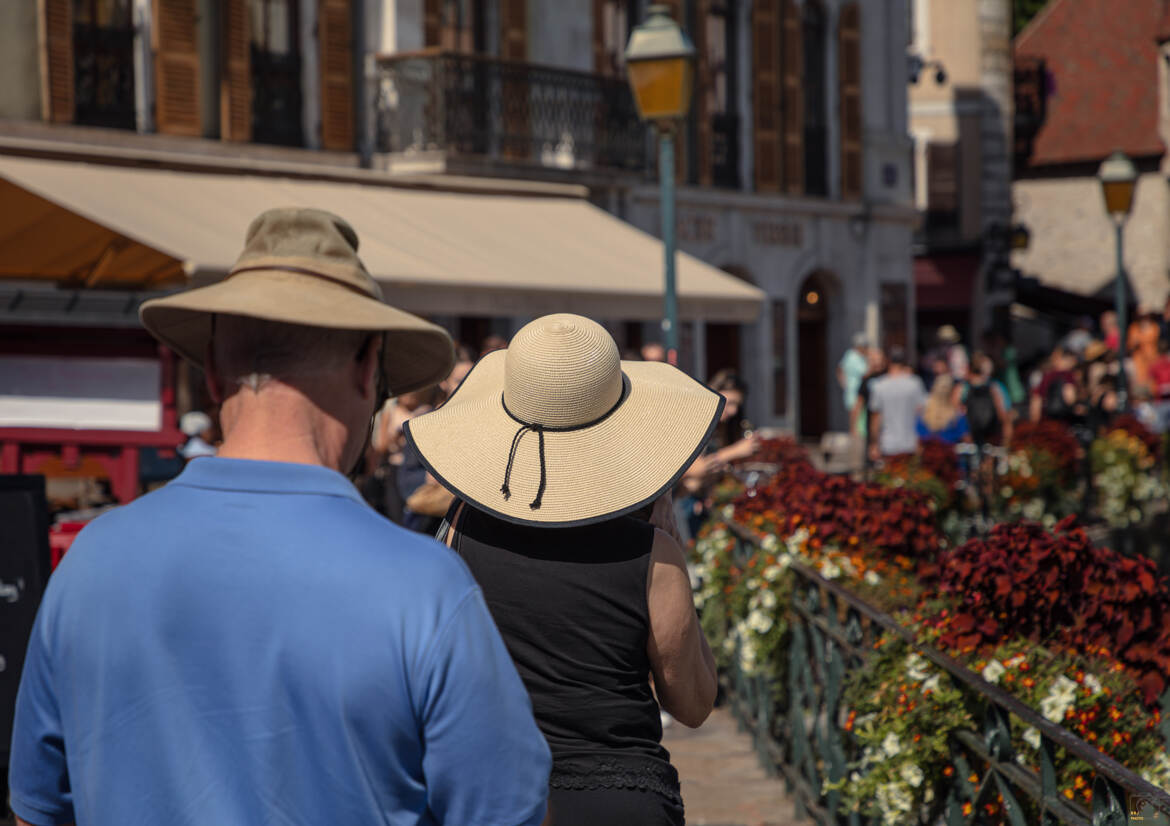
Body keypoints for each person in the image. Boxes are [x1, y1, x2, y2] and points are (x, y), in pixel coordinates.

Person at [8, 208, 551, 826]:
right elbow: (506, 812)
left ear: (212, 370)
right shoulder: (425, 587)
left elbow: (36, 809)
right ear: (369, 367)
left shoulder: (91, 562)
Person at [405, 314, 719, 826]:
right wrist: (673, 552)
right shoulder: (652, 555)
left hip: (496, 797)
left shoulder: (460, 532)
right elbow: (693, 703)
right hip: (621, 801)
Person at [868, 347, 927, 460]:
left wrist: (874, 444)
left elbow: (876, 418)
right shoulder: (915, 383)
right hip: (911, 442)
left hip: (888, 443)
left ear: (888, 361)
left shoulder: (879, 385)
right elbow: (921, 412)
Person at [964, 352, 1012, 447]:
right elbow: (1005, 417)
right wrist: (1006, 443)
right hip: (992, 437)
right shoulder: (995, 387)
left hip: (970, 439)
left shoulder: (962, 388)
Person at [1030, 345, 1080, 423]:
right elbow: (1070, 398)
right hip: (1063, 422)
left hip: (1046, 421)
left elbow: (1036, 400)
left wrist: (1035, 422)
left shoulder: (1046, 376)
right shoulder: (1068, 375)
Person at [916, 375, 970, 445]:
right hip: (950, 454)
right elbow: (967, 440)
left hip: (927, 454)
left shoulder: (922, 416)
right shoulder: (957, 417)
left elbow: (918, 442)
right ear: (952, 393)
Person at [837, 333, 870, 419]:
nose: (867, 349)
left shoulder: (851, 355)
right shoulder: (853, 357)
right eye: (865, 346)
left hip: (855, 390)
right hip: (855, 391)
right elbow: (865, 373)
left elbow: (840, 368)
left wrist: (843, 382)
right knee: (855, 417)